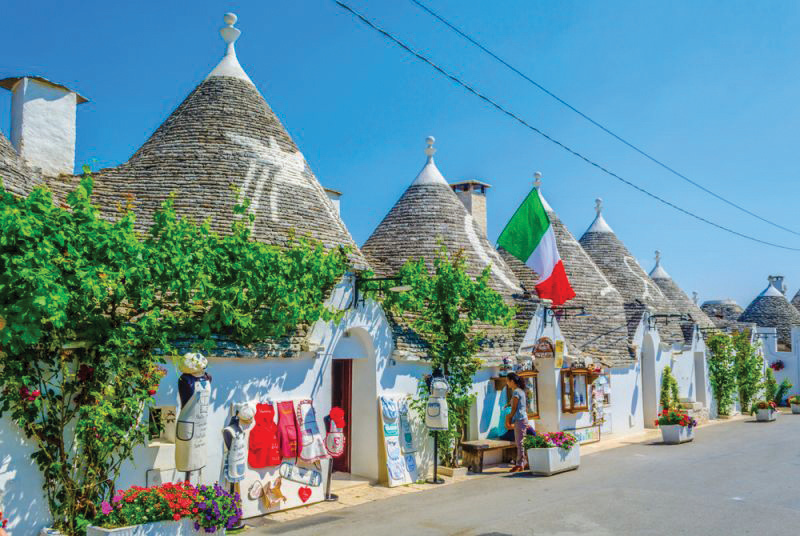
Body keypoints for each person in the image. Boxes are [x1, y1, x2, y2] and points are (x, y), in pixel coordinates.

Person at [505, 372, 530, 473]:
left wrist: (509, 417)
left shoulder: (516, 392)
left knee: (519, 442)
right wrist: (508, 404)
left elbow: (514, 407)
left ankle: (520, 464)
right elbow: (515, 403)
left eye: (507, 381)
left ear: (512, 381)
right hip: (523, 418)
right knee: (521, 442)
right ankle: (523, 462)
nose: (507, 383)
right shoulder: (520, 391)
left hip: (519, 419)